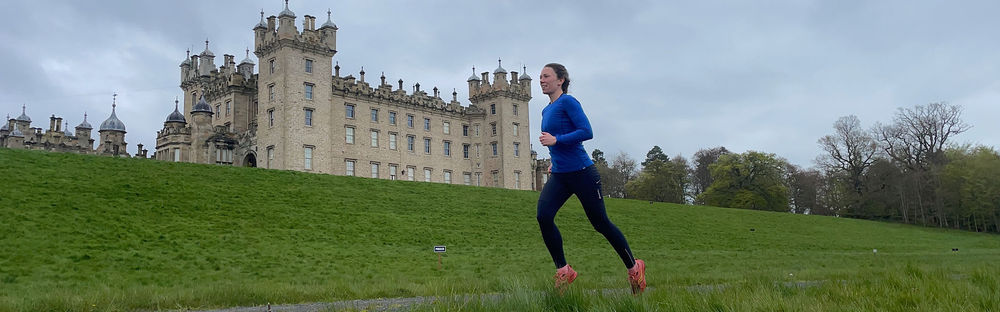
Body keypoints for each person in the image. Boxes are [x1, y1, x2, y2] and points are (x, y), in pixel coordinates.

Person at [536, 63, 646, 294]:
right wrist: (554, 160)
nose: (542, 80)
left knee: (600, 223)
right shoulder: (546, 110)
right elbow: (556, 142)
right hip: (560, 175)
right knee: (544, 216)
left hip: (583, 173)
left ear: (561, 80)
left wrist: (557, 141)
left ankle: (634, 267)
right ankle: (564, 270)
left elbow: (586, 131)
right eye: (540, 77)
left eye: (546, 76)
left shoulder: (569, 102)